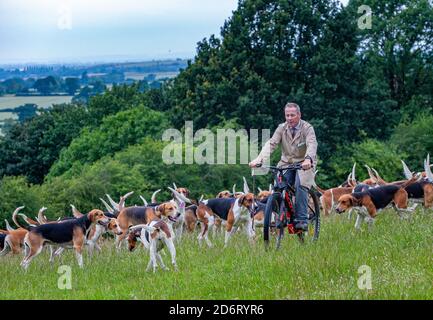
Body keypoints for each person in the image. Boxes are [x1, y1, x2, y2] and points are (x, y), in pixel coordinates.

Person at [249, 102, 318, 231]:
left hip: (304, 163)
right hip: (286, 163)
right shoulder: (282, 128)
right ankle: (281, 214)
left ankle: (302, 219)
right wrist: (259, 159)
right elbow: (271, 144)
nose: (289, 118)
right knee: (278, 187)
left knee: (300, 185)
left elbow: (312, 144)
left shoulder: (307, 128)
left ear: (299, 115)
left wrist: (308, 159)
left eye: (292, 115)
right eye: (287, 115)